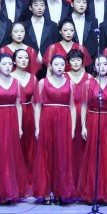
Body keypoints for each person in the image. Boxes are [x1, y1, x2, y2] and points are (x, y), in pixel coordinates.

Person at [0, 54, 28, 203]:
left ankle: (10, 190)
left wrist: (19, 126)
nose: (8, 66)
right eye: (4, 64)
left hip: (11, 119)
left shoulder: (16, 83)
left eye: (9, 64)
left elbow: (18, 106)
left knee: (11, 153)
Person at [77, 55, 107, 205]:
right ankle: (92, 192)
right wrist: (83, 126)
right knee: (93, 156)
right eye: (99, 64)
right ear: (94, 67)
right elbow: (84, 106)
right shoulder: (88, 84)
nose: (102, 67)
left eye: (104, 64)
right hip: (93, 121)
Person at [32, 55, 76, 204]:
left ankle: (59, 191)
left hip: (64, 121)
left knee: (61, 155)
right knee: (46, 155)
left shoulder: (70, 83)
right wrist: (37, 127)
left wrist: (73, 128)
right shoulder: (43, 83)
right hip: (47, 120)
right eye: (56, 64)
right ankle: (45, 191)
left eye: (62, 64)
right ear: (51, 66)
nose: (59, 67)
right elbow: (37, 106)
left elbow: (72, 106)